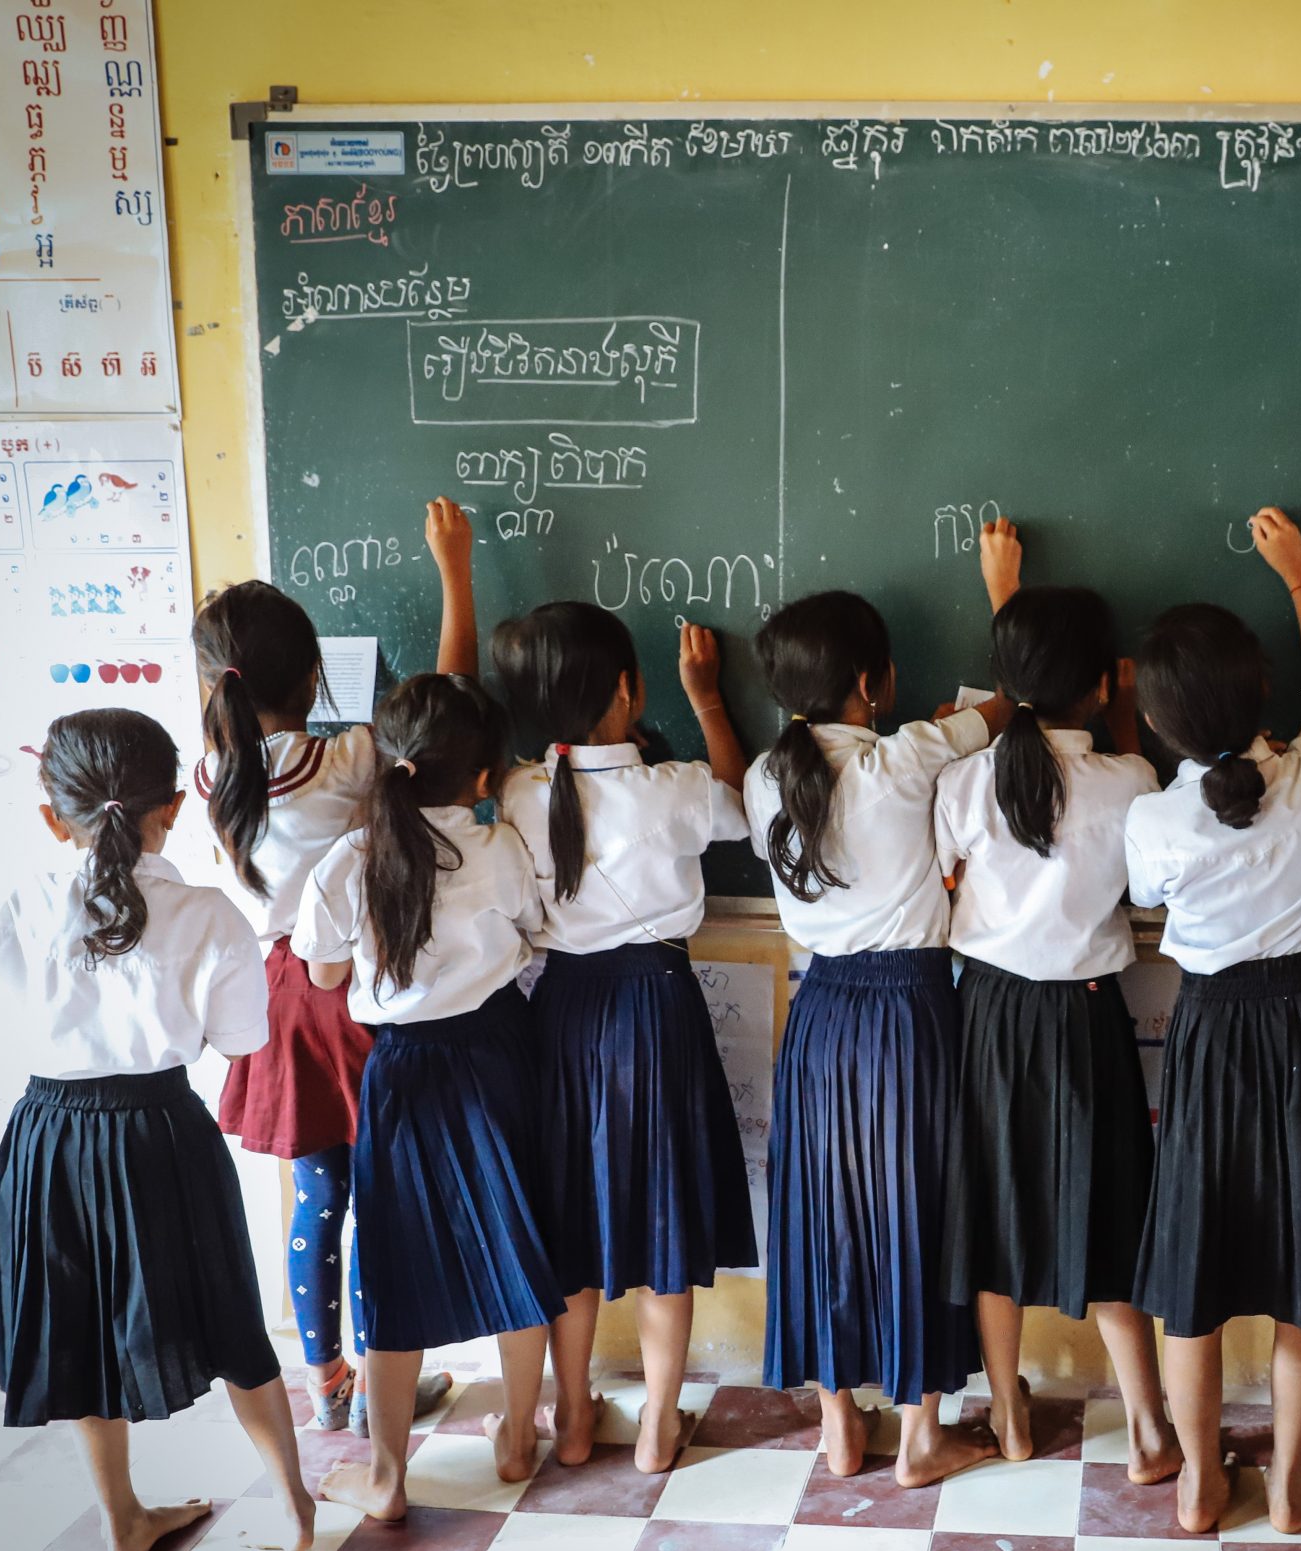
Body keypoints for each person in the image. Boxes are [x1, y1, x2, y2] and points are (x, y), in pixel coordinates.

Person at [0, 708, 316, 1551]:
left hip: (50, 1139)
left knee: (78, 1328)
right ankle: (292, 1501)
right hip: (162, 1131)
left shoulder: (26, 903)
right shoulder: (209, 913)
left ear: (52, 817)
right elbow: (240, 1040)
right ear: (176, 805)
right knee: (230, 1312)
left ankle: (120, 1521)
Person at [1123, 507, 1301, 1535]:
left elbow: (1147, 899)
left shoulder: (1154, 816)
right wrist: (1300, 576)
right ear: (1260, 691)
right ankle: (1286, 1484)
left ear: (1159, 725)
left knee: (1193, 1268)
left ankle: (1200, 1482)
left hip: (1212, 1033)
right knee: (1300, 1267)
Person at [191, 497, 475, 1435]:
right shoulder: (345, 759)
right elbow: (447, 706)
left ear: (216, 686)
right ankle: (379, 1381)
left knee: (317, 1196)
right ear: (315, 677)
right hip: (348, 991)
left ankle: (328, 1382)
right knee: (379, 1198)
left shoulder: (211, 774)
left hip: (275, 997)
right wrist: (454, 573)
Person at [747, 537, 1014, 1488]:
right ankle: (920, 1435)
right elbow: (1009, 705)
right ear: (873, 683)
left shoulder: (766, 778)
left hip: (820, 1010)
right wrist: (1003, 593)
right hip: (910, 1011)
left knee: (823, 1208)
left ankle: (838, 1423)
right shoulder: (907, 758)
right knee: (916, 1207)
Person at [492, 603, 757, 1475]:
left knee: (572, 1222)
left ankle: (572, 1418)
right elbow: (743, 807)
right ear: (627, 691)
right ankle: (656, 1427)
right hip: (657, 1009)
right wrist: (708, 699)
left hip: (562, 1012)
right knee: (662, 1219)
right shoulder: (673, 786)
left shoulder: (520, 792)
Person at [295, 673, 562, 1520]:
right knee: (516, 1240)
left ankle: (386, 1476)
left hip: (402, 1070)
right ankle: (517, 1438)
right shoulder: (500, 847)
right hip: (495, 1052)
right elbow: (533, 932)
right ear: (483, 777)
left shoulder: (348, 859)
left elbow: (322, 973)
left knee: (392, 1262)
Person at [934, 564, 1175, 1477]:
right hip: (1085, 1017)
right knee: (1108, 1214)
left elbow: (946, 873)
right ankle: (1149, 1428)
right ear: (1107, 683)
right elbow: (1140, 874)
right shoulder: (1132, 779)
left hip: (990, 1012)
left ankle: (1008, 1413)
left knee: (991, 1216)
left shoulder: (967, 780)